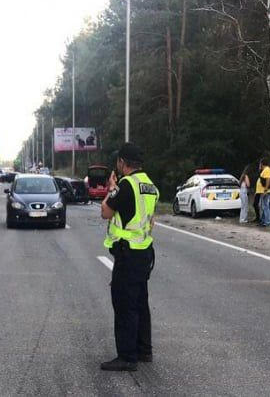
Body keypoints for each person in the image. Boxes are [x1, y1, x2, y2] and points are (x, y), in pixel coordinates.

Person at [100, 142, 159, 372]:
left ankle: (127, 356)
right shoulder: (150, 185)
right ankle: (144, 350)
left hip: (127, 253)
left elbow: (106, 211)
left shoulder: (126, 186)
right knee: (140, 303)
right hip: (144, 251)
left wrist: (112, 188)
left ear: (122, 163)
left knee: (125, 305)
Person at [256, 158, 270, 226]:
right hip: (262, 191)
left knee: (265, 206)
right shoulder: (264, 170)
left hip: (265, 190)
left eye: (260, 163)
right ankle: (263, 221)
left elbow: (268, 180)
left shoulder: (267, 170)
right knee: (262, 206)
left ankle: (267, 222)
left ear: (262, 163)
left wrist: (266, 189)